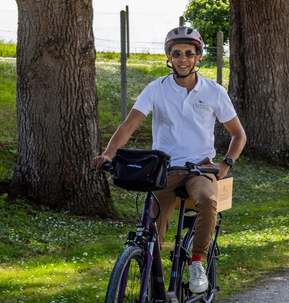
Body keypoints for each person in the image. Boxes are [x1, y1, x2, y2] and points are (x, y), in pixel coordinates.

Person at [93, 26, 247, 294]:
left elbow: (238, 134)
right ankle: (151, 278)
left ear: (198, 57)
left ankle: (197, 262)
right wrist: (109, 153)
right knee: (152, 228)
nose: (182, 59)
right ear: (169, 57)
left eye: (189, 53)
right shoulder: (156, 88)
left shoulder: (213, 91)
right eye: (176, 53)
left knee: (208, 200)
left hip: (200, 168)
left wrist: (225, 164)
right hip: (163, 169)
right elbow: (128, 126)